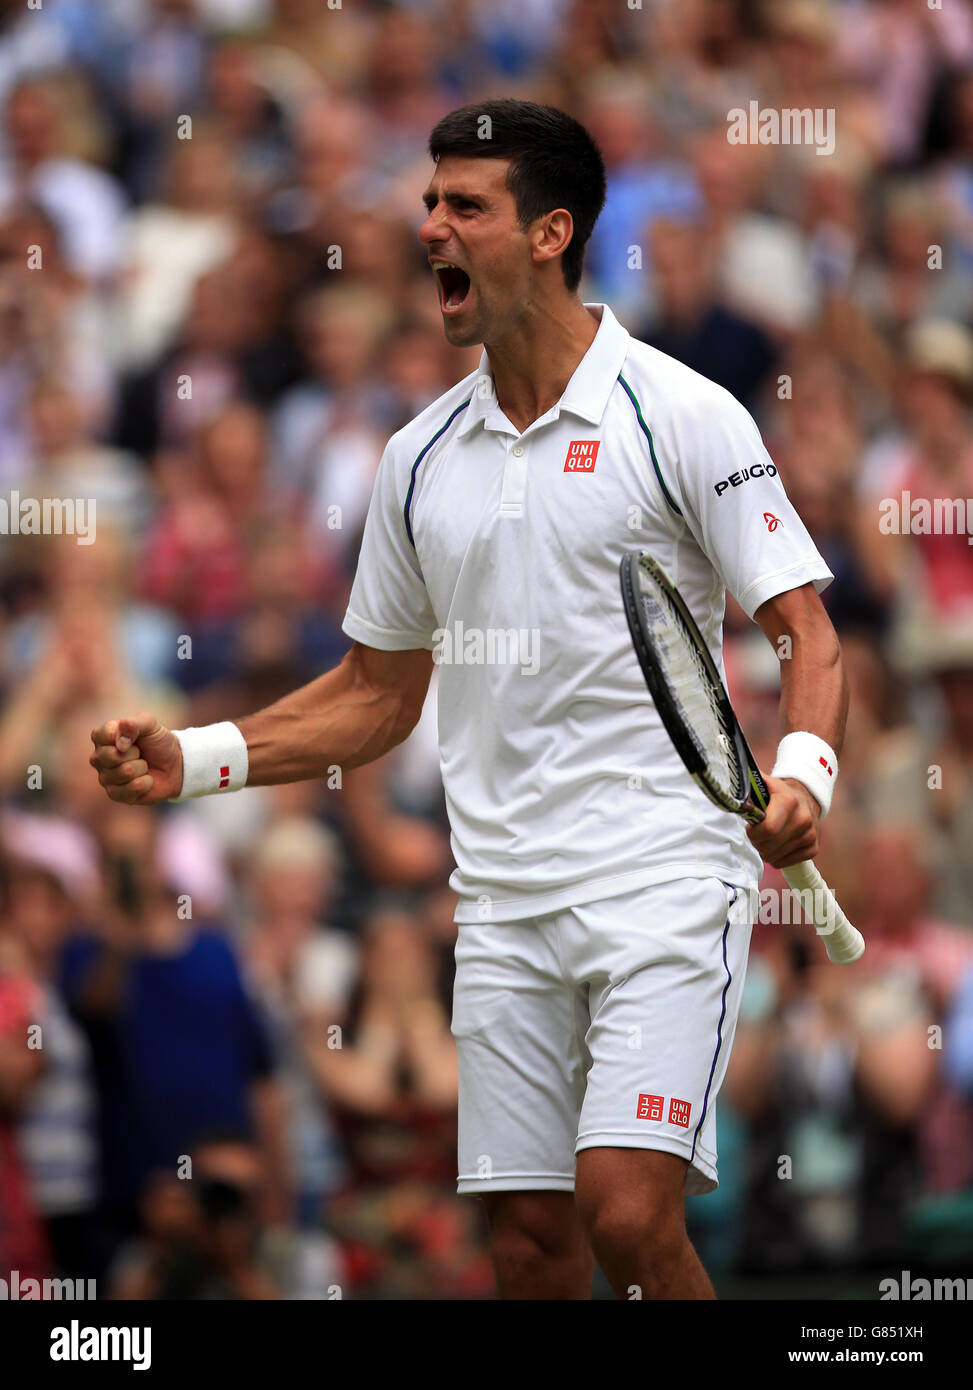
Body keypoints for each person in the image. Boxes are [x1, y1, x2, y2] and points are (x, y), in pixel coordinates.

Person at [89, 100, 847, 1301]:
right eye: (429, 200)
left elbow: (803, 625)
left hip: (662, 875)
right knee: (531, 1249)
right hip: (500, 902)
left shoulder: (688, 415)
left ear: (550, 233)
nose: (427, 223)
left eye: (463, 205)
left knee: (627, 1213)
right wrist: (196, 757)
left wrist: (804, 765)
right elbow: (377, 696)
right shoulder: (416, 459)